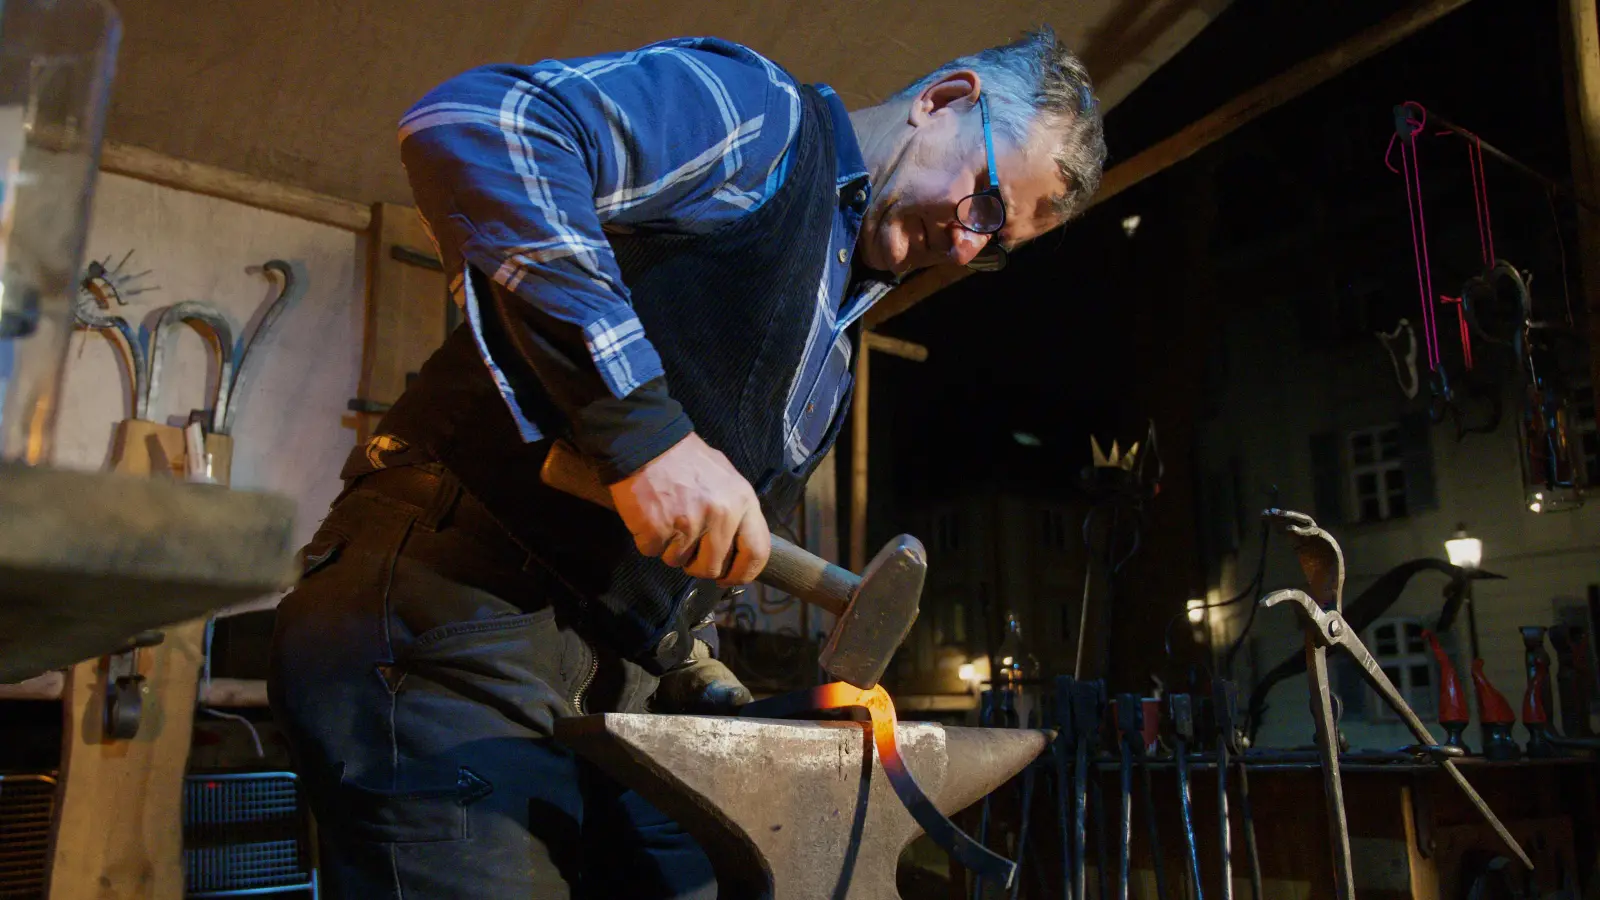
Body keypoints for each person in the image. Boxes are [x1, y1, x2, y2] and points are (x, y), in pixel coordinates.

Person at [268, 26, 1105, 899]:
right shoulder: (767, 122)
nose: (970, 248)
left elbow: (674, 540)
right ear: (944, 100)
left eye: (998, 245)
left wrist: (696, 660)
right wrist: (645, 437)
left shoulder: (831, 352)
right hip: (453, 609)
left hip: (608, 679)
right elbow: (483, 123)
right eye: (983, 204)